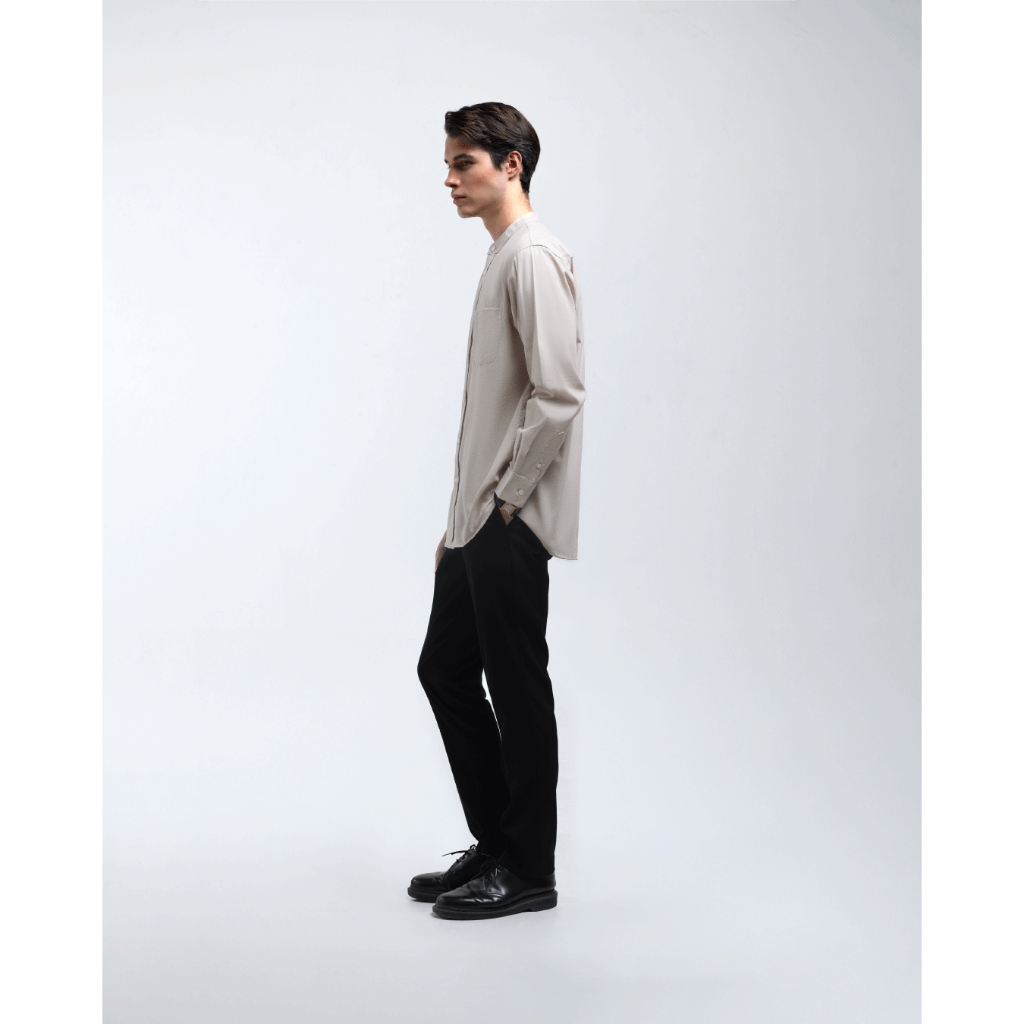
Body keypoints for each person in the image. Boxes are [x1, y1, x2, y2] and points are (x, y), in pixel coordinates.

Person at [409, 102, 586, 921]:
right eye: (449, 163)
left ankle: (529, 870)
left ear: (511, 164)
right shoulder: (503, 256)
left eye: (464, 162)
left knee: (516, 687)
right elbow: (495, 408)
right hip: (477, 519)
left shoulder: (534, 256)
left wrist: (507, 502)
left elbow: (559, 394)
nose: (449, 179)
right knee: (444, 670)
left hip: (508, 519)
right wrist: (457, 524)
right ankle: (498, 845)